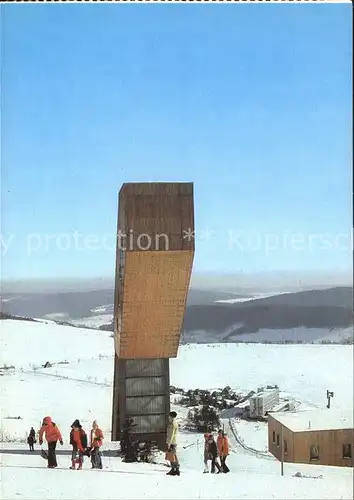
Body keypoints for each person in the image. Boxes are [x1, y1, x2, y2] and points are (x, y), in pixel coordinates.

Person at [166, 411, 180, 476]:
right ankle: (176, 469)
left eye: (169, 416)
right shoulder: (174, 423)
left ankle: (174, 469)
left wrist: (169, 443)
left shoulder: (172, 424)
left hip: (172, 442)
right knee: (174, 455)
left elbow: (171, 435)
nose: (168, 417)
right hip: (173, 441)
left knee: (172, 456)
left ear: (171, 417)